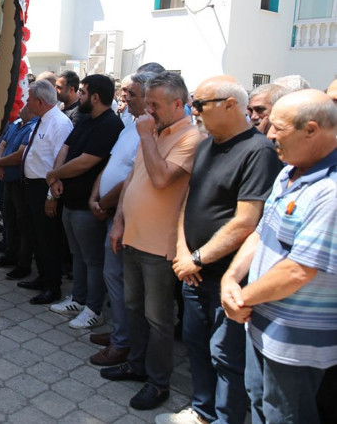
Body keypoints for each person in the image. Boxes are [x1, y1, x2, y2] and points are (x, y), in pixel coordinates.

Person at [157, 76, 282, 424]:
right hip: (193, 272)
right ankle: (202, 412)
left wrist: (197, 258)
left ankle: (226, 418)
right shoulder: (205, 145)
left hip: (228, 278)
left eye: (200, 104)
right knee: (196, 346)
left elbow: (246, 221)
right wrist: (185, 254)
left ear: (230, 104)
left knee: (226, 357)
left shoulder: (259, 151)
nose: (193, 111)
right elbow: (189, 201)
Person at [221, 89, 337, 424]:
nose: (269, 134)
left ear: (311, 130)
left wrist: (241, 297)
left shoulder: (329, 191)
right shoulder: (289, 173)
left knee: (285, 416)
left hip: (294, 342)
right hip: (260, 325)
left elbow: (298, 271)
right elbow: (261, 232)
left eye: (279, 128)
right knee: (260, 405)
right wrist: (231, 277)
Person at [101, 71, 203, 411]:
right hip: (132, 238)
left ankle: (158, 384)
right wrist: (118, 221)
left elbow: (160, 179)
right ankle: (137, 364)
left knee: (158, 318)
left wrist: (146, 135)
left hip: (160, 247)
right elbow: (133, 178)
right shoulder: (154, 131)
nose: (149, 110)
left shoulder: (191, 138)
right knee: (134, 309)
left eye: (155, 105)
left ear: (178, 103)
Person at [86, 71, 154, 366]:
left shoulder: (149, 131)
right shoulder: (130, 125)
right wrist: (94, 196)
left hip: (125, 215)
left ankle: (124, 342)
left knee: (122, 280)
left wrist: (105, 201)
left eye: (131, 93)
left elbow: (133, 176)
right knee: (113, 277)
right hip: (110, 209)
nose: (124, 97)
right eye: (124, 91)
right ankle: (120, 333)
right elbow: (111, 164)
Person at [46, 74, 124, 328]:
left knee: (92, 259)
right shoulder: (84, 118)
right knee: (78, 254)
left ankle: (94, 308)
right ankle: (78, 299)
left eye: (81, 92)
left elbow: (86, 161)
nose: (77, 96)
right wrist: (54, 179)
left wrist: (56, 174)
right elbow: (66, 149)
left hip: (88, 206)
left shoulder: (110, 125)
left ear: (95, 97)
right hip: (70, 199)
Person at [16, 79, 74, 305]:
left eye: (29, 98)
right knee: (36, 237)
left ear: (40, 101)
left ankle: (53, 287)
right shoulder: (43, 120)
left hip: (46, 188)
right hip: (32, 187)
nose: (26, 101)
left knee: (48, 240)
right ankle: (42, 277)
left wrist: (51, 196)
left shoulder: (59, 123)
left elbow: (60, 163)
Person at [0, 104, 38, 277]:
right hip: (6, 179)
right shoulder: (17, 123)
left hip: (20, 182)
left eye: (26, 105)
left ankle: (23, 264)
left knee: (22, 223)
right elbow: (2, 144)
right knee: (8, 218)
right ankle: (10, 254)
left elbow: (19, 155)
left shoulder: (33, 127)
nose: (22, 107)